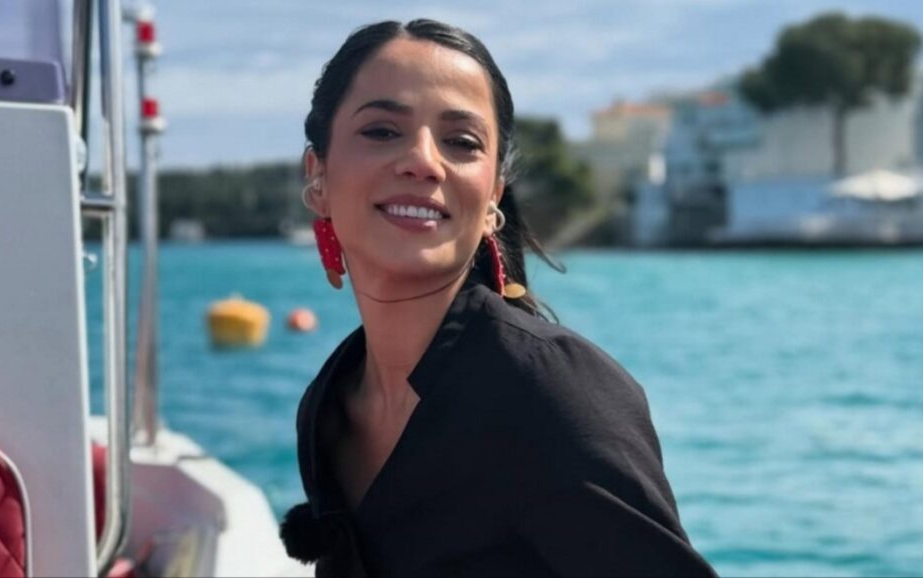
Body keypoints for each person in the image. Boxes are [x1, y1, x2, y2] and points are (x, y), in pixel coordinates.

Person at [280, 18, 717, 578]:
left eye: (462, 142)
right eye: (382, 131)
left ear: (492, 197)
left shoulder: (552, 392)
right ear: (317, 176)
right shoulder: (329, 405)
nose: (423, 160)